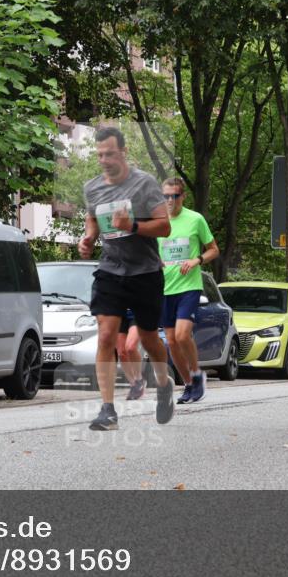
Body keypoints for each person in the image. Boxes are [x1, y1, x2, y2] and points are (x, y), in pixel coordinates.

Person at [78, 126, 175, 431]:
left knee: (149, 338)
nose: (104, 160)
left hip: (145, 272)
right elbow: (92, 217)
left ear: (123, 151)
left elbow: (164, 226)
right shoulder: (92, 188)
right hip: (110, 269)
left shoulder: (144, 184)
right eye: (99, 155)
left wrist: (132, 225)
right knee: (106, 336)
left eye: (109, 154)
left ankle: (164, 384)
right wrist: (88, 237)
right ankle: (107, 410)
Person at [158, 178, 219, 404]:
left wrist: (196, 260)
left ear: (183, 196)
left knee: (182, 335)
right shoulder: (158, 222)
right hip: (165, 288)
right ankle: (188, 384)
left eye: (174, 196)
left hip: (189, 287)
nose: (170, 200)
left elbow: (214, 249)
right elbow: (151, 250)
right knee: (171, 342)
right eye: (165, 196)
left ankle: (196, 374)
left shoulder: (195, 219)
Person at [117, 310, 145, 400]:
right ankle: (133, 385)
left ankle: (139, 380)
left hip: (136, 312)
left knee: (130, 347)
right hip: (120, 313)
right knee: (121, 353)